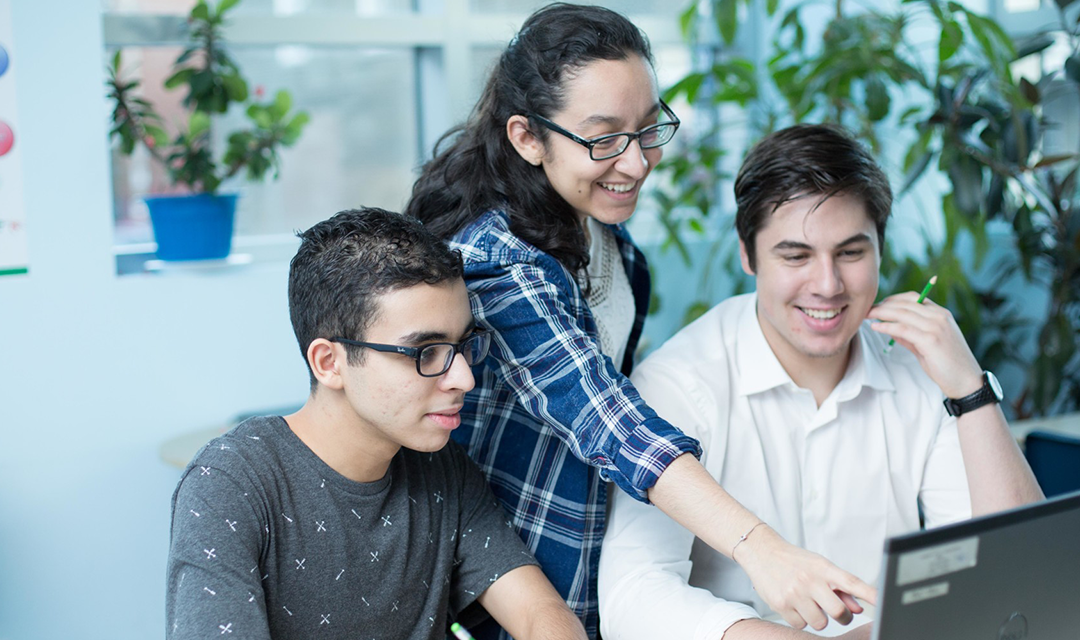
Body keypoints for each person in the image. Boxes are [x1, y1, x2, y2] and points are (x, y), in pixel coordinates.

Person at [406, 5, 875, 638]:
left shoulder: (615, 246)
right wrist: (761, 548)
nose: (636, 163)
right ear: (527, 137)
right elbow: (609, 420)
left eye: (648, 129)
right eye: (603, 139)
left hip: (599, 566)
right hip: (508, 591)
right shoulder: (496, 264)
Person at [597, 123, 1045, 639]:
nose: (828, 285)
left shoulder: (922, 369)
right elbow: (634, 598)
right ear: (748, 255)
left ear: (880, 249)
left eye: (851, 253)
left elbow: (1017, 577)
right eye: (796, 256)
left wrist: (970, 390)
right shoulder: (679, 381)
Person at [165, 208, 587, 640]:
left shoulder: (443, 468)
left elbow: (540, 612)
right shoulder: (230, 482)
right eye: (425, 352)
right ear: (330, 363)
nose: (465, 378)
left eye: (462, 345)